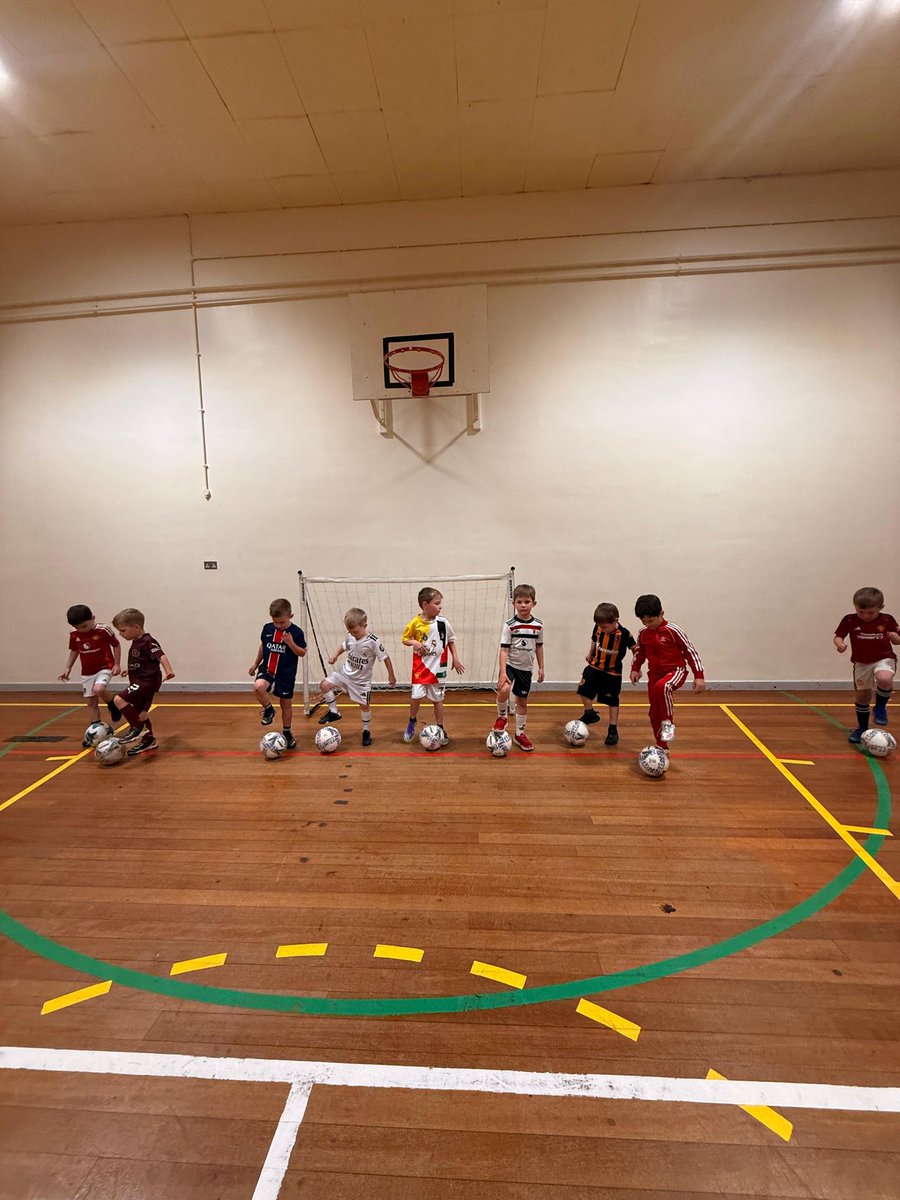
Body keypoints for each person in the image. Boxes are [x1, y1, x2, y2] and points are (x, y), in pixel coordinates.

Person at [629, 595, 705, 754]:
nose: (647, 625)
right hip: (654, 675)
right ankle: (662, 746)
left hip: (675, 671)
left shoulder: (673, 630)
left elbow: (690, 652)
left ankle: (668, 723)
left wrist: (699, 675)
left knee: (663, 686)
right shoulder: (643, 633)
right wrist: (635, 668)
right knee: (653, 711)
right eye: (644, 621)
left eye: (651, 621)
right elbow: (640, 652)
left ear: (661, 613)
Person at [317, 607, 397, 745]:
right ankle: (334, 712)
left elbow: (385, 658)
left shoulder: (373, 641)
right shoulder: (351, 637)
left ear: (364, 626)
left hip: (361, 682)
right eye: (350, 631)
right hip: (345, 674)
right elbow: (344, 645)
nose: (352, 634)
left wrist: (391, 675)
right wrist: (335, 655)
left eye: (355, 631)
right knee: (324, 684)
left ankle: (366, 731)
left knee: (364, 706)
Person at [834, 586, 899, 742]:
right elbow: (838, 635)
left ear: (880, 608)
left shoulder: (887, 620)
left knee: (884, 678)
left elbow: (897, 640)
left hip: (883, 658)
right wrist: (839, 644)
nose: (865, 616)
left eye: (871, 613)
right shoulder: (849, 619)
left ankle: (880, 707)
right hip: (861, 663)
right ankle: (862, 729)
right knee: (863, 696)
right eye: (860, 612)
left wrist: (894, 637)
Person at [401, 587, 464, 745]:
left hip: (438, 669)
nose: (440, 606)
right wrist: (414, 642)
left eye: (440, 603)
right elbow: (405, 638)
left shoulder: (443, 623)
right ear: (425, 605)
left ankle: (440, 728)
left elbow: (450, 640)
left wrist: (455, 659)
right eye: (437, 603)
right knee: (416, 697)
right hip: (420, 668)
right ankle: (412, 722)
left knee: (438, 700)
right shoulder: (415, 623)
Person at [110, 608, 175, 756]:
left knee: (118, 699)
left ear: (136, 627)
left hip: (147, 682)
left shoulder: (148, 641)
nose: (120, 634)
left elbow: (161, 656)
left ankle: (137, 728)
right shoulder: (136, 641)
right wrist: (130, 669)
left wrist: (169, 671)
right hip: (139, 679)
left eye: (123, 630)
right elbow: (142, 662)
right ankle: (149, 740)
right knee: (142, 713)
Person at [59, 605, 122, 746]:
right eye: (78, 627)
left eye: (84, 626)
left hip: (105, 667)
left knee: (99, 689)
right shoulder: (74, 634)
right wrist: (67, 668)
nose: (82, 629)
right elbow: (74, 651)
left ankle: (112, 704)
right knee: (91, 702)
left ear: (93, 618)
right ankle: (95, 734)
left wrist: (117, 664)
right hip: (87, 671)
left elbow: (116, 645)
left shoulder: (103, 630)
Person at [574, 602, 636, 746]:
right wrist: (590, 654)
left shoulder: (624, 634)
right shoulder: (598, 628)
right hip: (595, 666)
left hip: (612, 673)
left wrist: (636, 668)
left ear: (616, 621)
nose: (602, 628)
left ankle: (613, 729)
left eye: (605, 626)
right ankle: (590, 713)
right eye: (600, 626)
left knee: (612, 701)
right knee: (583, 690)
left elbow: (635, 648)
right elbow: (594, 641)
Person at [249, 598, 306, 750]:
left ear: (290, 616)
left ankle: (287, 732)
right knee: (258, 687)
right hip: (267, 670)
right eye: (276, 622)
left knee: (286, 704)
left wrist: (291, 643)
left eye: (282, 622)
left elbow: (302, 652)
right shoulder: (267, 629)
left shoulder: (296, 632)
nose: (279, 625)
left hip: (285, 674)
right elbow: (263, 646)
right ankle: (269, 709)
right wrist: (255, 663)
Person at [493, 584, 544, 751]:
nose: (523, 605)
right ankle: (502, 717)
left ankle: (519, 734)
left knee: (522, 700)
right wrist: (502, 672)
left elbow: (539, 647)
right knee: (504, 689)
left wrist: (541, 667)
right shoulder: (510, 625)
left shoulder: (538, 625)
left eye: (527, 602)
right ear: (514, 603)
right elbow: (504, 649)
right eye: (519, 602)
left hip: (526, 669)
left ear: (534, 603)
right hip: (510, 665)